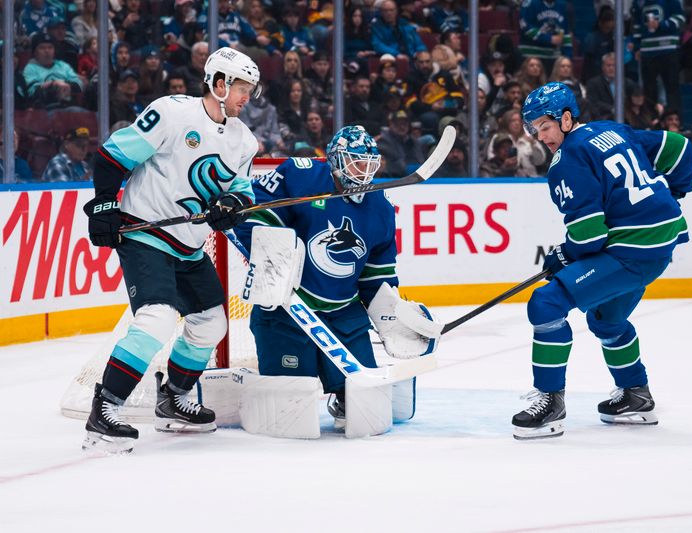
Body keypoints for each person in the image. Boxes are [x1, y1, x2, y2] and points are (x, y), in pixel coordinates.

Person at [80, 47, 261, 453]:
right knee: (157, 319)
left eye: (251, 89)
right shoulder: (172, 113)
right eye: (242, 88)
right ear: (219, 84)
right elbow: (112, 156)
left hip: (190, 247)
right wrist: (106, 203)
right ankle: (105, 407)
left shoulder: (244, 141)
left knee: (211, 324)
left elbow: (242, 192)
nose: (247, 97)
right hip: (146, 234)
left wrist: (232, 206)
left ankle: (174, 398)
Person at [512, 82, 692, 440]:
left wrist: (563, 254)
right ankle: (635, 394)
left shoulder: (567, 160)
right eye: (534, 130)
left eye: (545, 126)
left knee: (546, 303)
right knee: (606, 320)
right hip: (660, 243)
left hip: (632, 250)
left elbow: (589, 237)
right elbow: (678, 146)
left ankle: (550, 402)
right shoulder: (611, 130)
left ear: (566, 118)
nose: (541, 137)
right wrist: (673, 195)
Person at [230, 125, 437, 430]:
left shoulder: (381, 207)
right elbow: (255, 211)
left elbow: (376, 277)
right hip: (287, 311)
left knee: (362, 399)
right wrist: (273, 253)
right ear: (336, 160)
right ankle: (250, 386)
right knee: (289, 403)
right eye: (356, 163)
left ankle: (341, 394)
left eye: (369, 164)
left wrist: (393, 315)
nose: (364, 172)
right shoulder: (301, 175)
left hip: (343, 316)